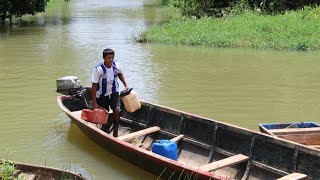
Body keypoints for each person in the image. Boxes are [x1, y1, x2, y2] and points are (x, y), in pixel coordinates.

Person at [91, 48, 128, 137]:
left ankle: (115, 133)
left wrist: (125, 84)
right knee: (105, 112)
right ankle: (105, 132)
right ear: (104, 58)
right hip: (102, 94)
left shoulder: (116, 65)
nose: (111, 59)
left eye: (112, 57)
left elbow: (120, 74)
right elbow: (94, 86)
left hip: (114, 91)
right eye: (108, 57)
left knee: (117, 110)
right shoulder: (99, 69)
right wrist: (94, 102)